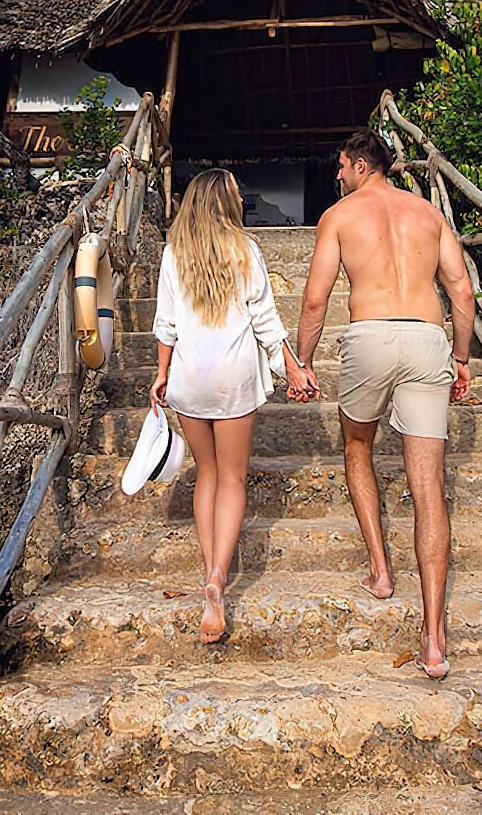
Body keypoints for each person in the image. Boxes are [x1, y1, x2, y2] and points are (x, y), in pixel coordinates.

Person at [291, 130, 474, 680]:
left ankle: (380, 570)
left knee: (356, 445)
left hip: (369, 335)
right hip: (425, 338)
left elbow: (316, 298)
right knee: (429, 486)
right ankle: (435, 638)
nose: (337, 176)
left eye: (340, 166)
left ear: (359, 164)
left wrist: (302, 361)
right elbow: (461, 292)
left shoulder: (341, 215)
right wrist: (461, 359)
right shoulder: (428, 213)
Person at [151, 169, 310, 643]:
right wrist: (294, 368)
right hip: (234, 374)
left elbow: (166, 324)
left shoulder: (174, 252)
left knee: (208, 475)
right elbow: (265, 320)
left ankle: (208, 575)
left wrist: (161, 375)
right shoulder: (246, 249)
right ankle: (221, 574)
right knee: (234, 477)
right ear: (227, 202)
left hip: (190, 376)